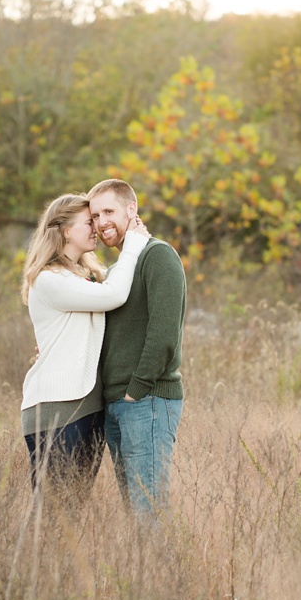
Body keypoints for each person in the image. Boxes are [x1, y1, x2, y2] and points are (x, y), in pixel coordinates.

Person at [20, 193, 150, 505]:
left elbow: (118, 291)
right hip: (58, 409)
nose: (96, 227)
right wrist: (132, 245)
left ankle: (56, 557)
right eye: (89, 222)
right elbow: (114, 294)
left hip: (87, 405)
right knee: (53, 514)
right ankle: (29, 557)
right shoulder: (50, 278)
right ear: (65, 230)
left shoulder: (84, 274)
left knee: (71, 508)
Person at [87, 179, 186, 516]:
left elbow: (164, 333)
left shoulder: (157, 256)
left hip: (147, 400)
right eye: (95, 215)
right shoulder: (118, 271)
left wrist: (137, 389)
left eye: (109, 211)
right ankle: (143, 572)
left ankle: (163, 571)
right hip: (117, 403)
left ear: (132, 210)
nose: (101, 223)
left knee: (149, 513)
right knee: (135, 512)